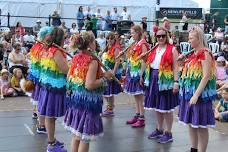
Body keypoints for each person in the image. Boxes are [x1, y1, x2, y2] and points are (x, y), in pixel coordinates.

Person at [64, 32, 113, 152]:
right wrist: (105, 77)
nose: (95, 43)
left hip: (75, 101)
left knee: (76, 135)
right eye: (94, 41)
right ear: (90, 44)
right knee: (84, 137)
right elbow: (89, 85)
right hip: (88, 103)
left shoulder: (76, 57)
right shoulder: (93, 61)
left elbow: (69, 78)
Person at [178, 26, 217, 152]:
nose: (189, 41)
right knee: (191, 123)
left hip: (199, 96)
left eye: (191, 38)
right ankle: (193, 149)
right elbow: (185, 73)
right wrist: (181, 62)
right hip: (189, 94)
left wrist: (196, 95)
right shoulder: (193, 54)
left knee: (201, 126)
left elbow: (206, 76)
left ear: (199, 38)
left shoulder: (205, 53)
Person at [143, 27, 179, 143]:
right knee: (158, 107)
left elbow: (176, 67)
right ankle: (159, 129)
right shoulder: (154, 48)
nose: (161, 38)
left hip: (165, 81)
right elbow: (149, 63)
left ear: (167, 36)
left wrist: (176, 82)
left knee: (167, 108)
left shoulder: (172, 49)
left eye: (163, 35)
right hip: (153, 78)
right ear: (156, 37)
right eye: (159, 36)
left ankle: (168, 133)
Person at [38, 27, 68, 152]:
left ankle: (52, 140)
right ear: (60, 39)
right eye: (64, 38)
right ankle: (51, 144)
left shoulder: (47, 49)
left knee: (51, 116)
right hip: (53, 88)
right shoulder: (56, 52)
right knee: (51, 116)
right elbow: (65, 70)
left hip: (48, 87)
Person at [124, 25, 150, 128]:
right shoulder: (135, 43)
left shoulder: (143, 44)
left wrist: (141, 75)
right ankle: (137, 114)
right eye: (131, 33)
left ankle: (142, 118)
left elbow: (144, 59)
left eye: (133, 33)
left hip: (139, 72)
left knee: (140, 95)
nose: (132, 35)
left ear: (138, 33)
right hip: (133, 71)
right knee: (136, 95)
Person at [28, 26, 53, 130]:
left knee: (37, 99)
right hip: (40, 78)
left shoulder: (36, 46)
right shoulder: (42, 48)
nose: (51, 37)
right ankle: (41, 125)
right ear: (44, 36)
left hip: (37, 77)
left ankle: (36, 114)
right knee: (40, 100)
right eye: (50, 35)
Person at [101, 32, 122, 116]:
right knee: (106, 91)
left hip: (112, 72)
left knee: (108, 91)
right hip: (105, 72)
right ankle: (110, 106)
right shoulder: (107, 47)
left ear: (114, 39)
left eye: (111, 38)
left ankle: (110, 108)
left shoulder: (116, 48)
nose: (109, 40)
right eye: (108, 38)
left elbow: (117, 62)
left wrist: (113, 73)